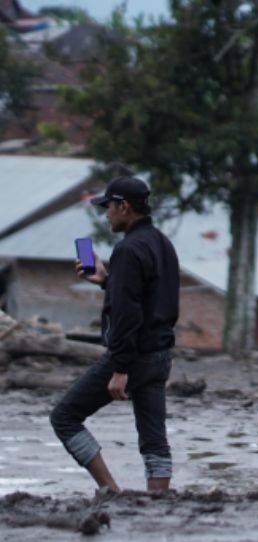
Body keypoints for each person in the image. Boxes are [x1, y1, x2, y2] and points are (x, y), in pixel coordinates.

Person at [50, 176, 181, 493]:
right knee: (154, 437)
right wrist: (107, 280)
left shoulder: (127, 250)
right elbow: (147, 300)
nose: (106, 214)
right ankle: (158, 499)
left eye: (108, 207)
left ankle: (111, 491)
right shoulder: (162, 244)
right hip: (160, 355)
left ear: (124, 207)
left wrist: (120, 369)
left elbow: (126, 315)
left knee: (65, 417)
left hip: (133, 357)